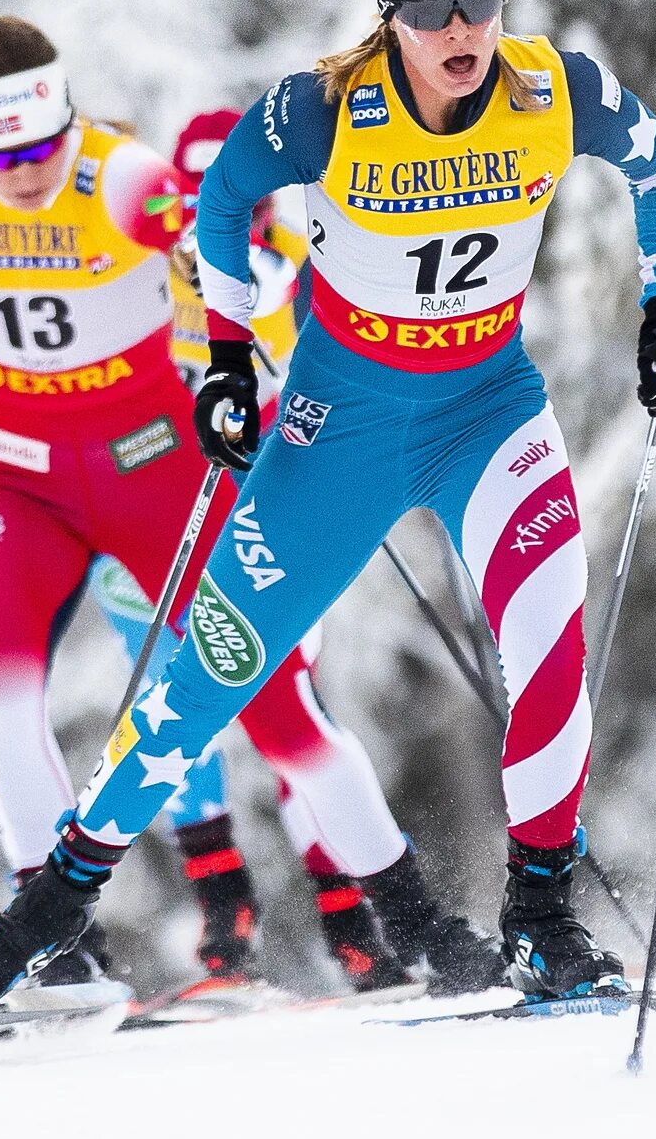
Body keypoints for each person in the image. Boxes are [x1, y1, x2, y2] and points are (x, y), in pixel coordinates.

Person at [0, 0, 656, 1022]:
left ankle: (541, 916)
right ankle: (45, 911)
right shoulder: (324, 109)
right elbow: (224, 201)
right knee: (205, 681)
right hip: (342, 429)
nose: (461, 29)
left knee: (550, 641)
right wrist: (228, 351)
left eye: (478, 0)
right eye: (432, 11)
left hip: (490, 411)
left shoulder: (550, 85)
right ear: (390, 17)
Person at [0, 21, 493, 992]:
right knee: (3, 717)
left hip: (155, 470)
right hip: (14, 477)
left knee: (280, 709)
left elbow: (208, 226)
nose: (26, 173)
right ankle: (63, 951)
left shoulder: (116, 174)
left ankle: (414, 919)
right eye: (0, 155)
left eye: (43, 146)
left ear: (67, 119)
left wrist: (254, 272)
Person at [78, 109, 417, 991]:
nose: (209, 222)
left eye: (226, 203)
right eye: (191, 202)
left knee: (290, 718)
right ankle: (225, 920)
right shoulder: (142, 268)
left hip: (264, 528)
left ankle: (357, 926)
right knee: (163, 708)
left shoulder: (289, 268)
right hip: (154, 531)